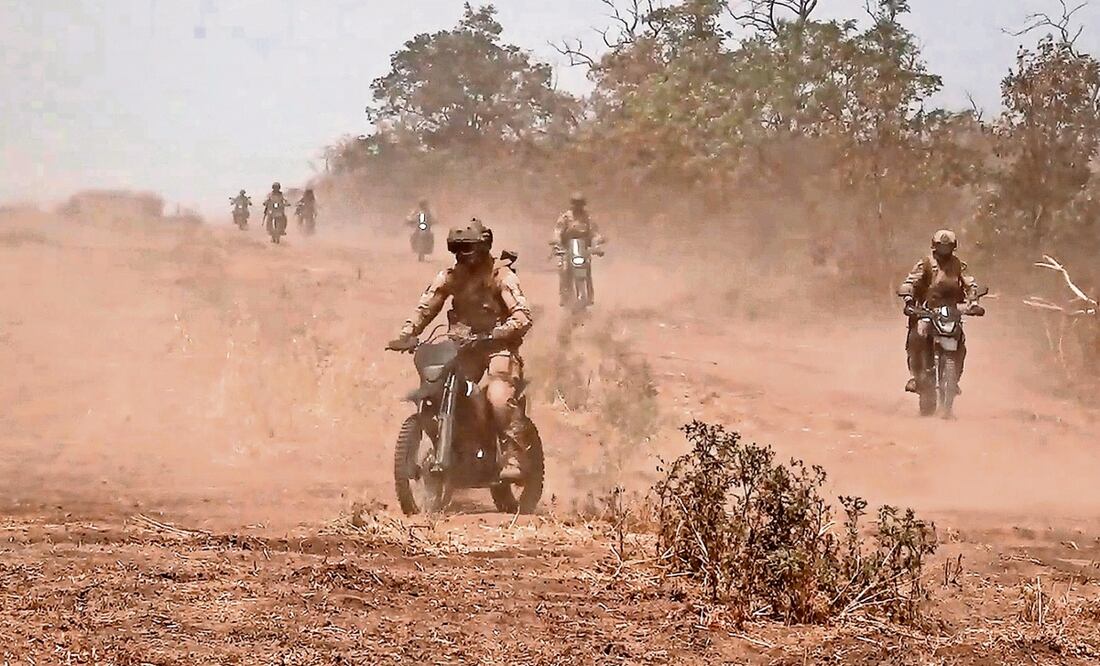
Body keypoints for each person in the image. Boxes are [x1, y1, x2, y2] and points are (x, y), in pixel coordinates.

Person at [387, 219, 533, 460]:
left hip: (497, 348)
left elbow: (523, 316)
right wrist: (407, 334)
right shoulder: (451, 276)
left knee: (497, 397)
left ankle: (513, 455)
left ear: (484, 247)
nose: (462, 256)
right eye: (457, 250)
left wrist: (499, 332)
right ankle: (456, 448)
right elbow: (427, 305)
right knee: (441, 388)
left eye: (468, 249)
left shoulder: (500, 275)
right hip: (463, 347)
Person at [898, 229, 981, 393]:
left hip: (951, 311)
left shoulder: (959, 265)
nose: (944, 250)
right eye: (941, 246)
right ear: (934, 246)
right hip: (927, 310)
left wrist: (973, 302)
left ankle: (953, 379)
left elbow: (970, 284)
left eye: (948, 246)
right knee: (917, 336)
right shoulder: (926, 264)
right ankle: (916, 377)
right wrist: (908, 298)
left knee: (960, 342)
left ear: (953, 246)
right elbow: (911, 281)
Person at [553, 192, 604, 305]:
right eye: (576, 204)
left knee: (587, 270)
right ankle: (564, 296)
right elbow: (558, 231)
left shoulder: (587, 218)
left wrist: (597, 246)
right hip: (568, 250)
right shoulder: (565, 217)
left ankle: (590, 296)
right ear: (572, 204)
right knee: (564, 268)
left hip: (583, 250)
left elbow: (594, 233)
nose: (578, 206)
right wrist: (556, 243)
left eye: (580, 204)